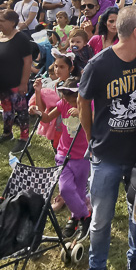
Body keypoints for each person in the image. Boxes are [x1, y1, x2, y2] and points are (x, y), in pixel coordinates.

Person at [72, 7, 136, 270]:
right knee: (100, 219)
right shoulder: (99, 65)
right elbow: (83, 102)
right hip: (106, 155)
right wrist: (91, 137)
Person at [34, 76, 92, 240]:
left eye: (73, 100)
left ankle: (75, 218)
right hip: (63, 155)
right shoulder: (63, 104)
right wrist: (38, 98)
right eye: (67, 99)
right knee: (66, 189)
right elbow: (46, 118)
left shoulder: (88, 104)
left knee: (79, 192)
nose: (70, 103)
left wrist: (82, 111)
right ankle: (85, 216)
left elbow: (97, 120)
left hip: (83, 157)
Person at [0, 10, 33, 153]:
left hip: (15, 83)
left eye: (1, 21)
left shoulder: (21, 39)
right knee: (6, 110)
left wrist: (24, 83)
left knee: (21, 111)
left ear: (12, 23)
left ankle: (24, 139)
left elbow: (27, 62)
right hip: (0, 83)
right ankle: (7, 133)